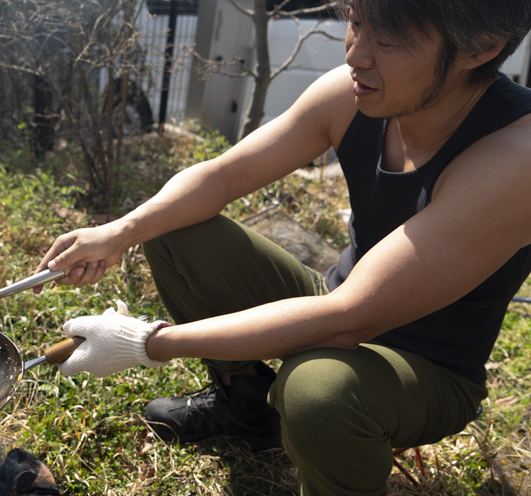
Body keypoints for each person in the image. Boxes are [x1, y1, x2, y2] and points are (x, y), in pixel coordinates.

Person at [33, 0, 531, 493]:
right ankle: (244, 405)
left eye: (390, 39)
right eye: (357, 24)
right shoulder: (355, 93)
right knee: (171, 224)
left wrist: (147, 343)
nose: (357, 54)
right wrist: (121, 230)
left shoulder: (515, 158)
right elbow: (224, 175)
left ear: (480, 49)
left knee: (316, 391)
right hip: (339, 299)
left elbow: (353, 316)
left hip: (426, 366)